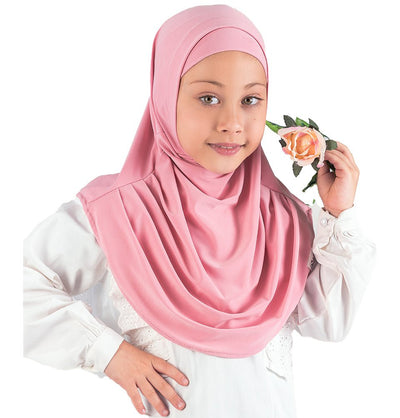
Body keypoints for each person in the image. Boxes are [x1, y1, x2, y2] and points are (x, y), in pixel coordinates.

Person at [23, 4, 376, 417]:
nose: (232, 122)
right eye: (208, 98)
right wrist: (109, 353)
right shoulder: (118, 211)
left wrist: (338, 214)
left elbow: (329, 322)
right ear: (164, 95)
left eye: (250, 99)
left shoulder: (280, 218)